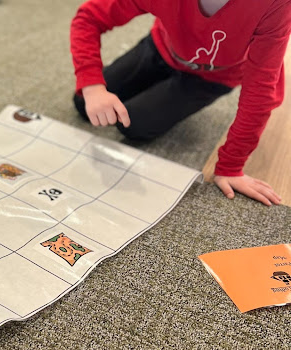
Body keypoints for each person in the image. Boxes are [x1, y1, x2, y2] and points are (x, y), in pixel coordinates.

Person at [70, 0, 291, 206]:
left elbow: (260, 91)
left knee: (133, 125)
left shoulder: (275, 5)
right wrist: (93, 86)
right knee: (83, 102)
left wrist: (231, 166)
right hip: (160, 48)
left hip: (210, 77)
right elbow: (89, 17)